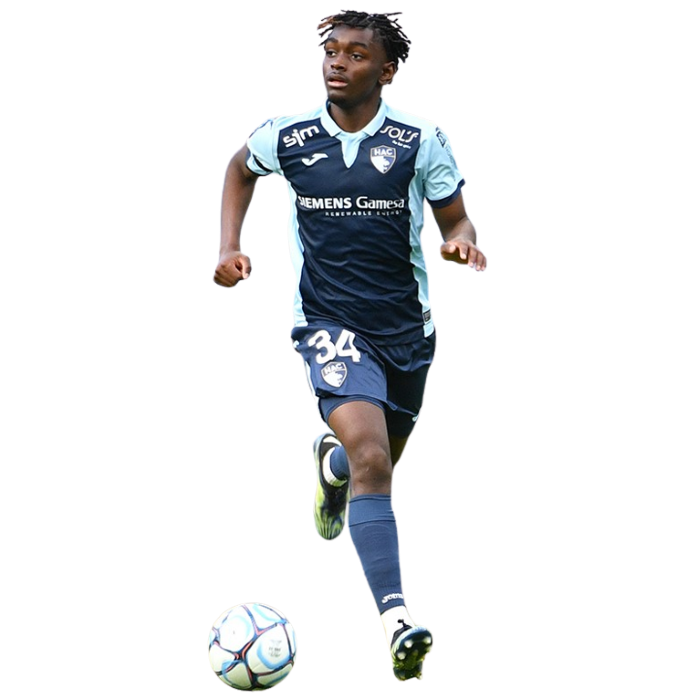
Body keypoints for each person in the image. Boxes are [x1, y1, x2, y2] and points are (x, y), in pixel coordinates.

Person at [213, 10, 487, 682]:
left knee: (378, 462)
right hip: (328, 325)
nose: (337, 63)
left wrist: (462, 244)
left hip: (407, 334)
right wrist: (229, 247)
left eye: (356, 55)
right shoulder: (289, 136)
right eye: (331, 52)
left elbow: (457, 219)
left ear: (386, 71)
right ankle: (397, 623)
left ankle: (330, 464)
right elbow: (240, 168)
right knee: (374, 460)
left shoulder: (421, 139)